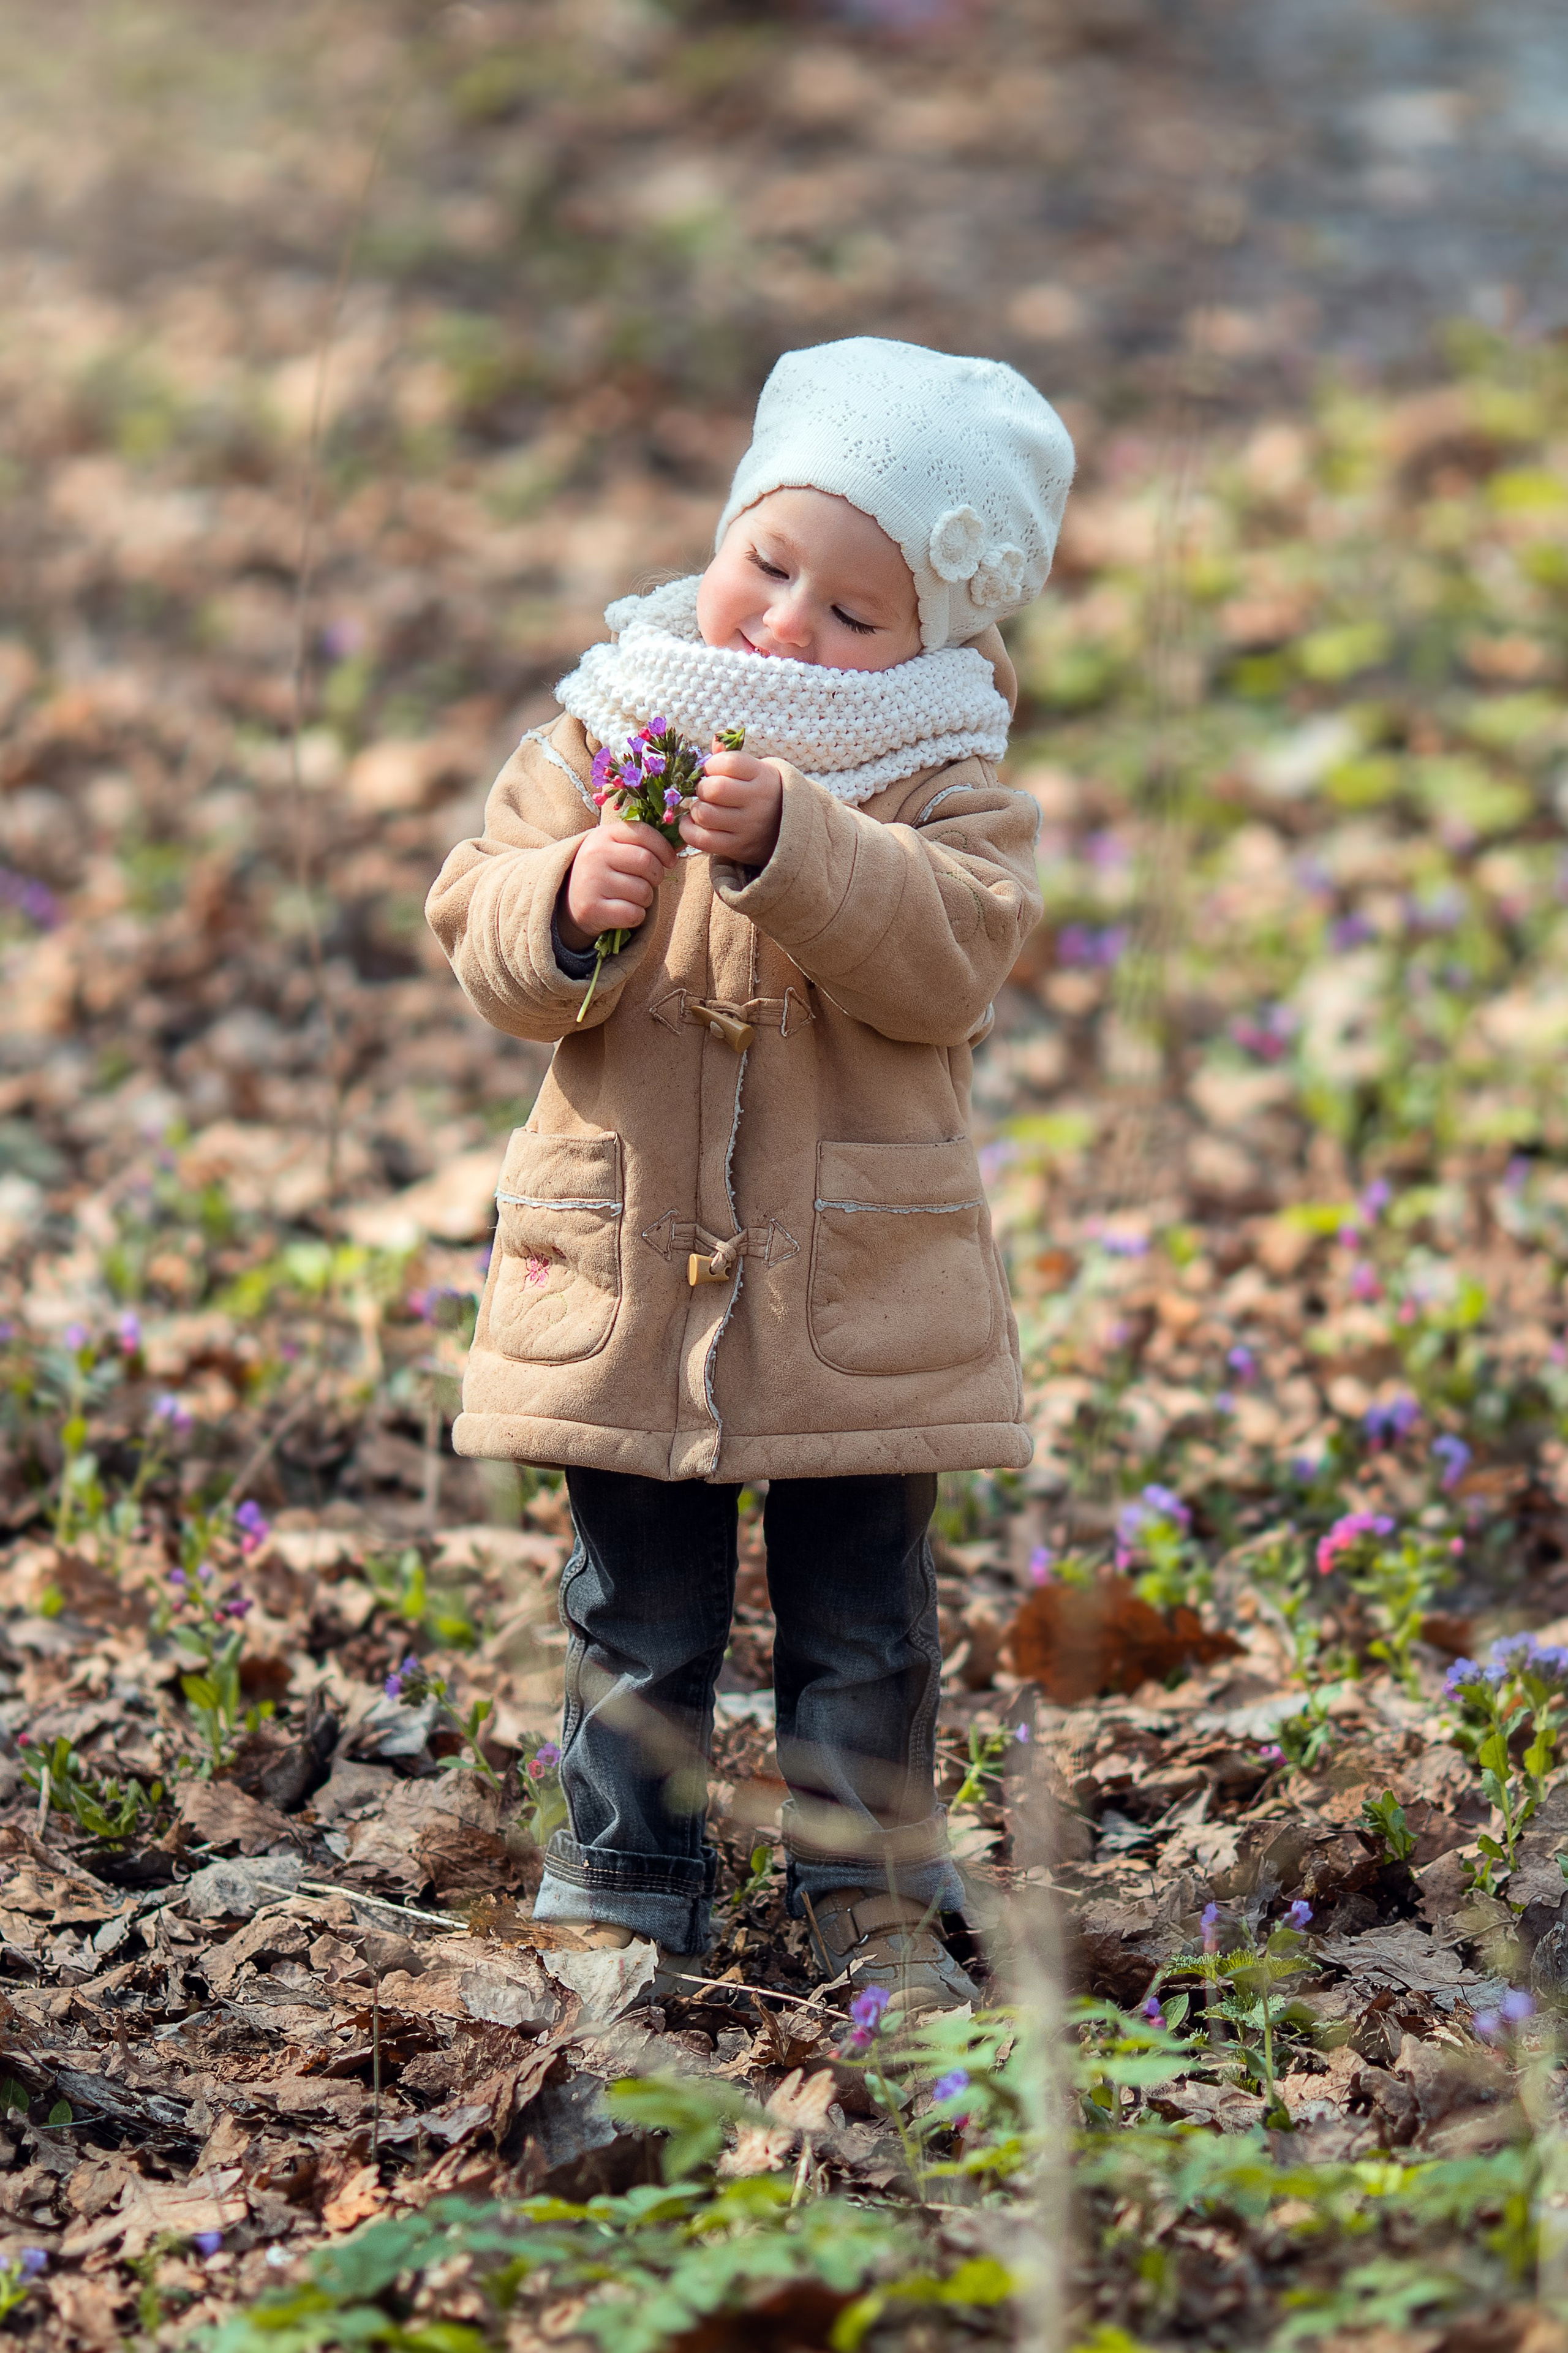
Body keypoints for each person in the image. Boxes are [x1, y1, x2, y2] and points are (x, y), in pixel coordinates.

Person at [426, 336, 1073, 2014]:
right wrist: (570, 898)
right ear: (723, 535)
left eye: (854, 612)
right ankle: (624, 1866)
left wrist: (801, 844)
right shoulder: (608, 727)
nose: (785, 626)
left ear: (934, 637)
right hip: (635, 1265)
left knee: (865, 1614)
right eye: (766, 565)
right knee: (636, 1599)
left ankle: (866, 1879)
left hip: (853, 1288)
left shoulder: (945, 773)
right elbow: (479, 929)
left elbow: (956, 961)